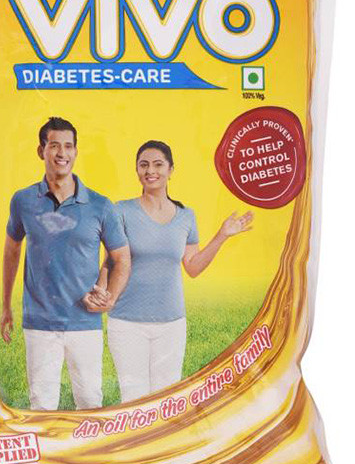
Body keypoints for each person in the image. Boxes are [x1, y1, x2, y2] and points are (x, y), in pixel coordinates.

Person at [92, 140, 253, 403]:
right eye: (144, 165)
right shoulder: (121, 211)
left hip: (171, 324)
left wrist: (222, 235)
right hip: (127, 322)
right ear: (136, 169)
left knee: (167, 401)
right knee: (134, 399)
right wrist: (101, 290)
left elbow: (193, 267)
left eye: (158, 164)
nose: (150, 170)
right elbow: (111, 261)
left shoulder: (186, 216)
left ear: (170, 169)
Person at [1, 117, 131, 410]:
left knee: (90, 402)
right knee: (41, 404)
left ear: (76, 151)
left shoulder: (100, 205)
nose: (62, 153)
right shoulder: (23, 200)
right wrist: (6, 306)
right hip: (39, 323)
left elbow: (122, 258)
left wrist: (109, 298)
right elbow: (11, 252)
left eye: (69, 146)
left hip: (85, 322)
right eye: (54, 145)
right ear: (41, 151)